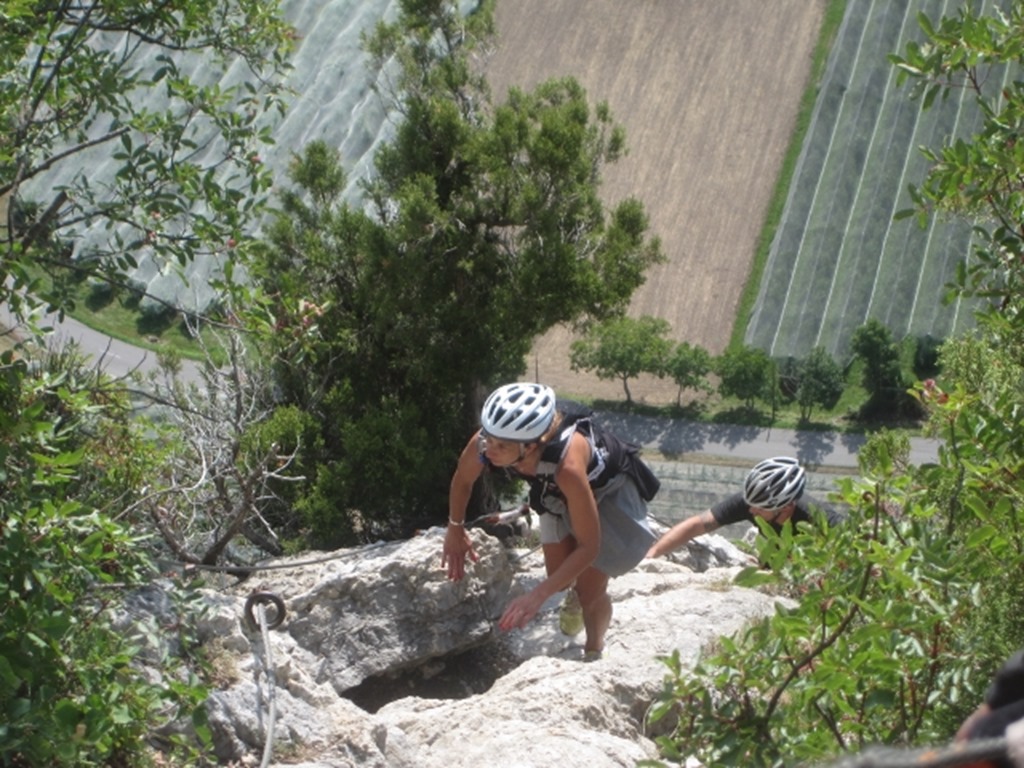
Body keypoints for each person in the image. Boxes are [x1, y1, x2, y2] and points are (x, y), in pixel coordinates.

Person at [443, 382, 659, 661]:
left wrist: (535, 597)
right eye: (488, 438)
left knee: (589, 591)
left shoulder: (568, 465)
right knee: (557, 581)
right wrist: (455, 529)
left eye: (501, 446)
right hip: (552, 491)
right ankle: (571, 594)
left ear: (531, 446)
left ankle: (594, 649)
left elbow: (589, 547)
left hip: (605, 493)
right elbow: (463, 479)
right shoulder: (492, 439)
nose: (489, 450)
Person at [646, 456, 844, 559]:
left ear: (785, 508)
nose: (751, 511)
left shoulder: (818, 518)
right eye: (750, 505)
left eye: (759, 509)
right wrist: (652, 554)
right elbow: (698, 524)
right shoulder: (752, 502)